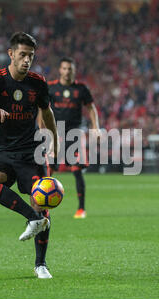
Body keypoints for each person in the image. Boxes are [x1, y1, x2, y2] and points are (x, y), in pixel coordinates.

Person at [0, 32, 59, 279]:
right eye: (22, 55)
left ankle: (41, 264)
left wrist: (53, 141)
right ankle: (33, 219)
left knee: (41, 201)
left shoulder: (37, 82)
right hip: (5, 153)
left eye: (30, 56)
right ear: (11, 54)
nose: (27, 60)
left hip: (31, 154)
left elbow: (47, 112)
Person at [46, 57, 100, 219]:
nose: (67, 71)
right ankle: (41, 206)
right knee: (48, 170)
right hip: (55, 133)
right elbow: (42, 110)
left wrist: (96, 127)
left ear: (74, 71)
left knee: (76, 170)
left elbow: (91, 108)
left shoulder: (81, 89)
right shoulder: (51, 88)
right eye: (64, 68)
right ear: (60, 70)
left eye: (70, 69)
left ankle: (81, 209)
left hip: (75, 133)